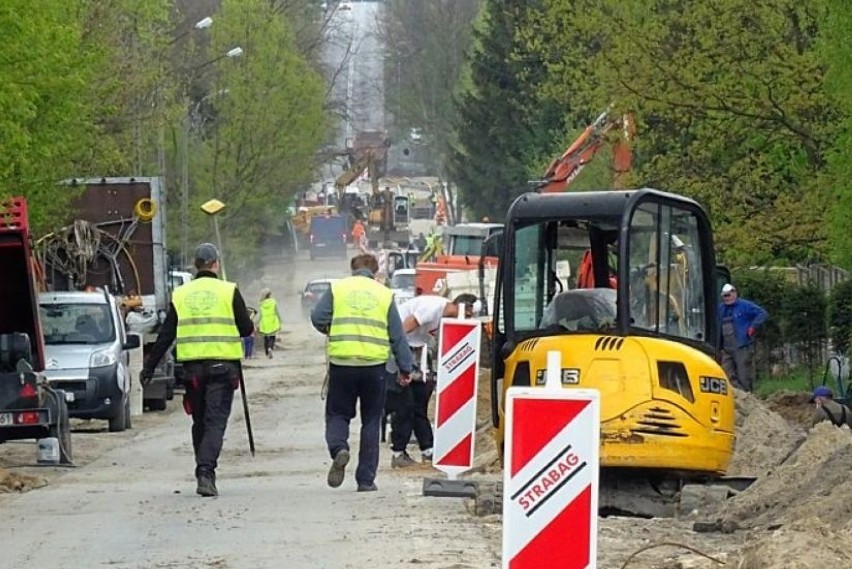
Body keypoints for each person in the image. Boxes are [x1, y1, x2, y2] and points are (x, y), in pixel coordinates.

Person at [141, 243, 253, 497]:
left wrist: (149, 368)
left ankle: (202, 469)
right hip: (223, 368)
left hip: (192, 371)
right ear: (216, 264)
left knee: (200, 422)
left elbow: (166, 335)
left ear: (195, 265)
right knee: (215, 422)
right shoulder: (229, 291)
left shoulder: (181, 295)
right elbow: (246, 329)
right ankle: (206, 472)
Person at [310, 253, 413, 492]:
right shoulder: (384, 294)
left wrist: (330, 329)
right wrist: (405, 368)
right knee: (371, 420)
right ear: (375, 271)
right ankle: (365, 480)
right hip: (374, 367)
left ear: (352, 269)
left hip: (342, 363)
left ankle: (339, 449)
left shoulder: (338, 288)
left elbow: (317, 317)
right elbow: (397, 336)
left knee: (337, 414)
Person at [386, 293, 478, 468]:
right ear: (459, 306)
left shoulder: (446, 318)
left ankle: (428, 449)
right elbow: (401, 331)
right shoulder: (432, 307)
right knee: (406, 404)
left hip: (418, 351)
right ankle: (398, 452)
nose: (464, 319)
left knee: (420, 401)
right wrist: (402, 365)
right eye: (466, 315)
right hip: (404, 351)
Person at [717, 283, 767, 392]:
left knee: (744, 374)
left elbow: (762, 313)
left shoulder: (745, 306)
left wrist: (753, 327)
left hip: (742, 345)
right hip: (726, 348)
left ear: (734, 293)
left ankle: (747, 397)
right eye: (725, 296)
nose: (727, 298)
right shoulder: (720, 309)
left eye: (729, 295)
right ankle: (738, 395)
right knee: (726, 373)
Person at [257, 288, 282, 359]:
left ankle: (267, 352)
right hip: (272, 320)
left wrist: (258, 322)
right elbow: (276, 311)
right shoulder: (273, 302)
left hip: (264, 321)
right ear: (270, 295)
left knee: (265, 338)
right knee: (272, 336)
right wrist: (280, 319)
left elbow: (260, 314)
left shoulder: (261, 304)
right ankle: (270, 347)